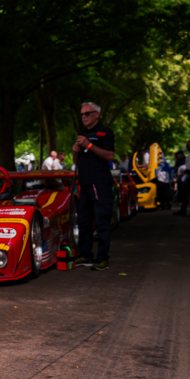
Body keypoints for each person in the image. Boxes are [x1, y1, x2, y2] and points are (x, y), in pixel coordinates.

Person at [72, 102, 117, 270]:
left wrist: (89, 145)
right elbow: (77, 162)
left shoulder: (105, 132)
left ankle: (102, 257)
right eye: (81, 114)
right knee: (83, 221)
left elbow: (110, 156)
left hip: (100, 183)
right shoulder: (83, 134)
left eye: (87, 113)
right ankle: (85, 254)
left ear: (96, 114)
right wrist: (75, 150)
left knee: (101, 221)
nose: (83, 117)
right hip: (84, 184)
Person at [175, 140, 190, 215]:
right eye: (189, 144)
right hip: (188, 175)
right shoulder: (189, 154)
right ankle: (183, 210)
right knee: (185, 193)